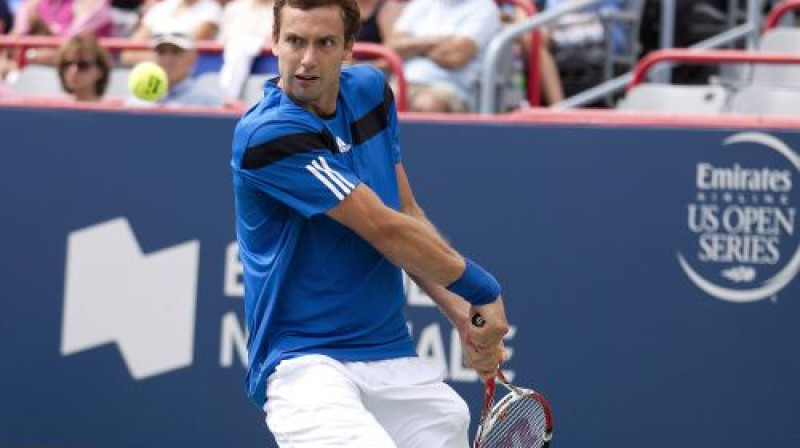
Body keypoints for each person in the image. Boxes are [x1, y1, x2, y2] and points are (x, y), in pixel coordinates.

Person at [230, 0, 510, 445]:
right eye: (295, 41)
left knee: (450, 422)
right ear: (275, 43)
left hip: (390, 355)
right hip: (305, 363)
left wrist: (460, 314)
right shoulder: (268, 136)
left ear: (348, 50)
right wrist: (482, 290)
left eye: (325, 43)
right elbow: (385, 229)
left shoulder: (370, 91)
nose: (307, 59)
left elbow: (404, 213)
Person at [385, 0, 501, 112]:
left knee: (427, 103)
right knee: (376, 100)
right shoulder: (419, 4)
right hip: (402, 83)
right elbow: (393, 47)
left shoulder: (484, 7)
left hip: (451, 89)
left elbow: (455, 56)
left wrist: (414, 48)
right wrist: (436, 42)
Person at [128, 32, 224, 106]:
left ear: (192, 58)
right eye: (161, 52)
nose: (167, 59)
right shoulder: (136, 102)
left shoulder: (208, 101)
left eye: (176, 51)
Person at [120, 0, 221, 66]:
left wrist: (151, 57)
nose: (167, 56)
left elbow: (185, 53)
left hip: (191, 82)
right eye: (162, 52)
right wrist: (167, 60)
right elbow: (127, 56)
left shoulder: (211, 9)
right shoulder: (161, 7)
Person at [217, 0, 274, 99]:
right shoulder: (234, 8)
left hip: (271, 71)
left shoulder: (288, 9)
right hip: (226, 68)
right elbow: (222, 41)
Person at [56, 33, 112, 101]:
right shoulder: (51, 107)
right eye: (66, 64)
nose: (73, 70)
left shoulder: (114, 110)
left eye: (82, 65)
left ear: (100, 71)